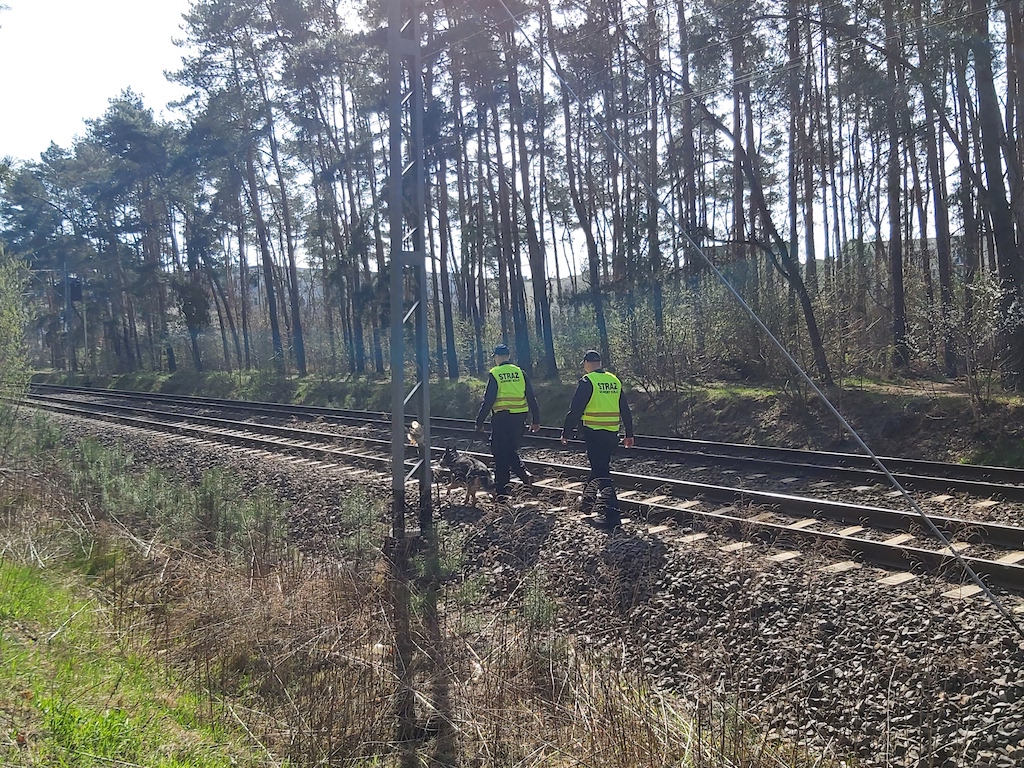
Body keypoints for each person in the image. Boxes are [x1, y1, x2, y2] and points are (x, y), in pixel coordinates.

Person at [475, 343, 541, 499]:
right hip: (520, 419)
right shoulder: (520, 373)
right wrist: (536, 420)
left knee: (500, 454)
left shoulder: (495, 373)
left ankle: (502, 493)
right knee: (510, 449)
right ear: (509, 356)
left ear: (497, 357)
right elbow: (531, 397)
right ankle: (524, 475)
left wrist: (479, 421)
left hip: (502, 418)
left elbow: (489, 400)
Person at [560, 349, 634, 480]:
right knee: (600, 467)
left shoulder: (587, 381)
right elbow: (625, 409)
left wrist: (566, 432)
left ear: (587, 363)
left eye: (584, 364)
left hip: (593, 432)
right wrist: (629, 433)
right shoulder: (614, 380)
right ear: (599, 363)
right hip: (612, 432)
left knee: (600, 469)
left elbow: (576, 410)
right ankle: (589, 497)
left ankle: (608, 498)